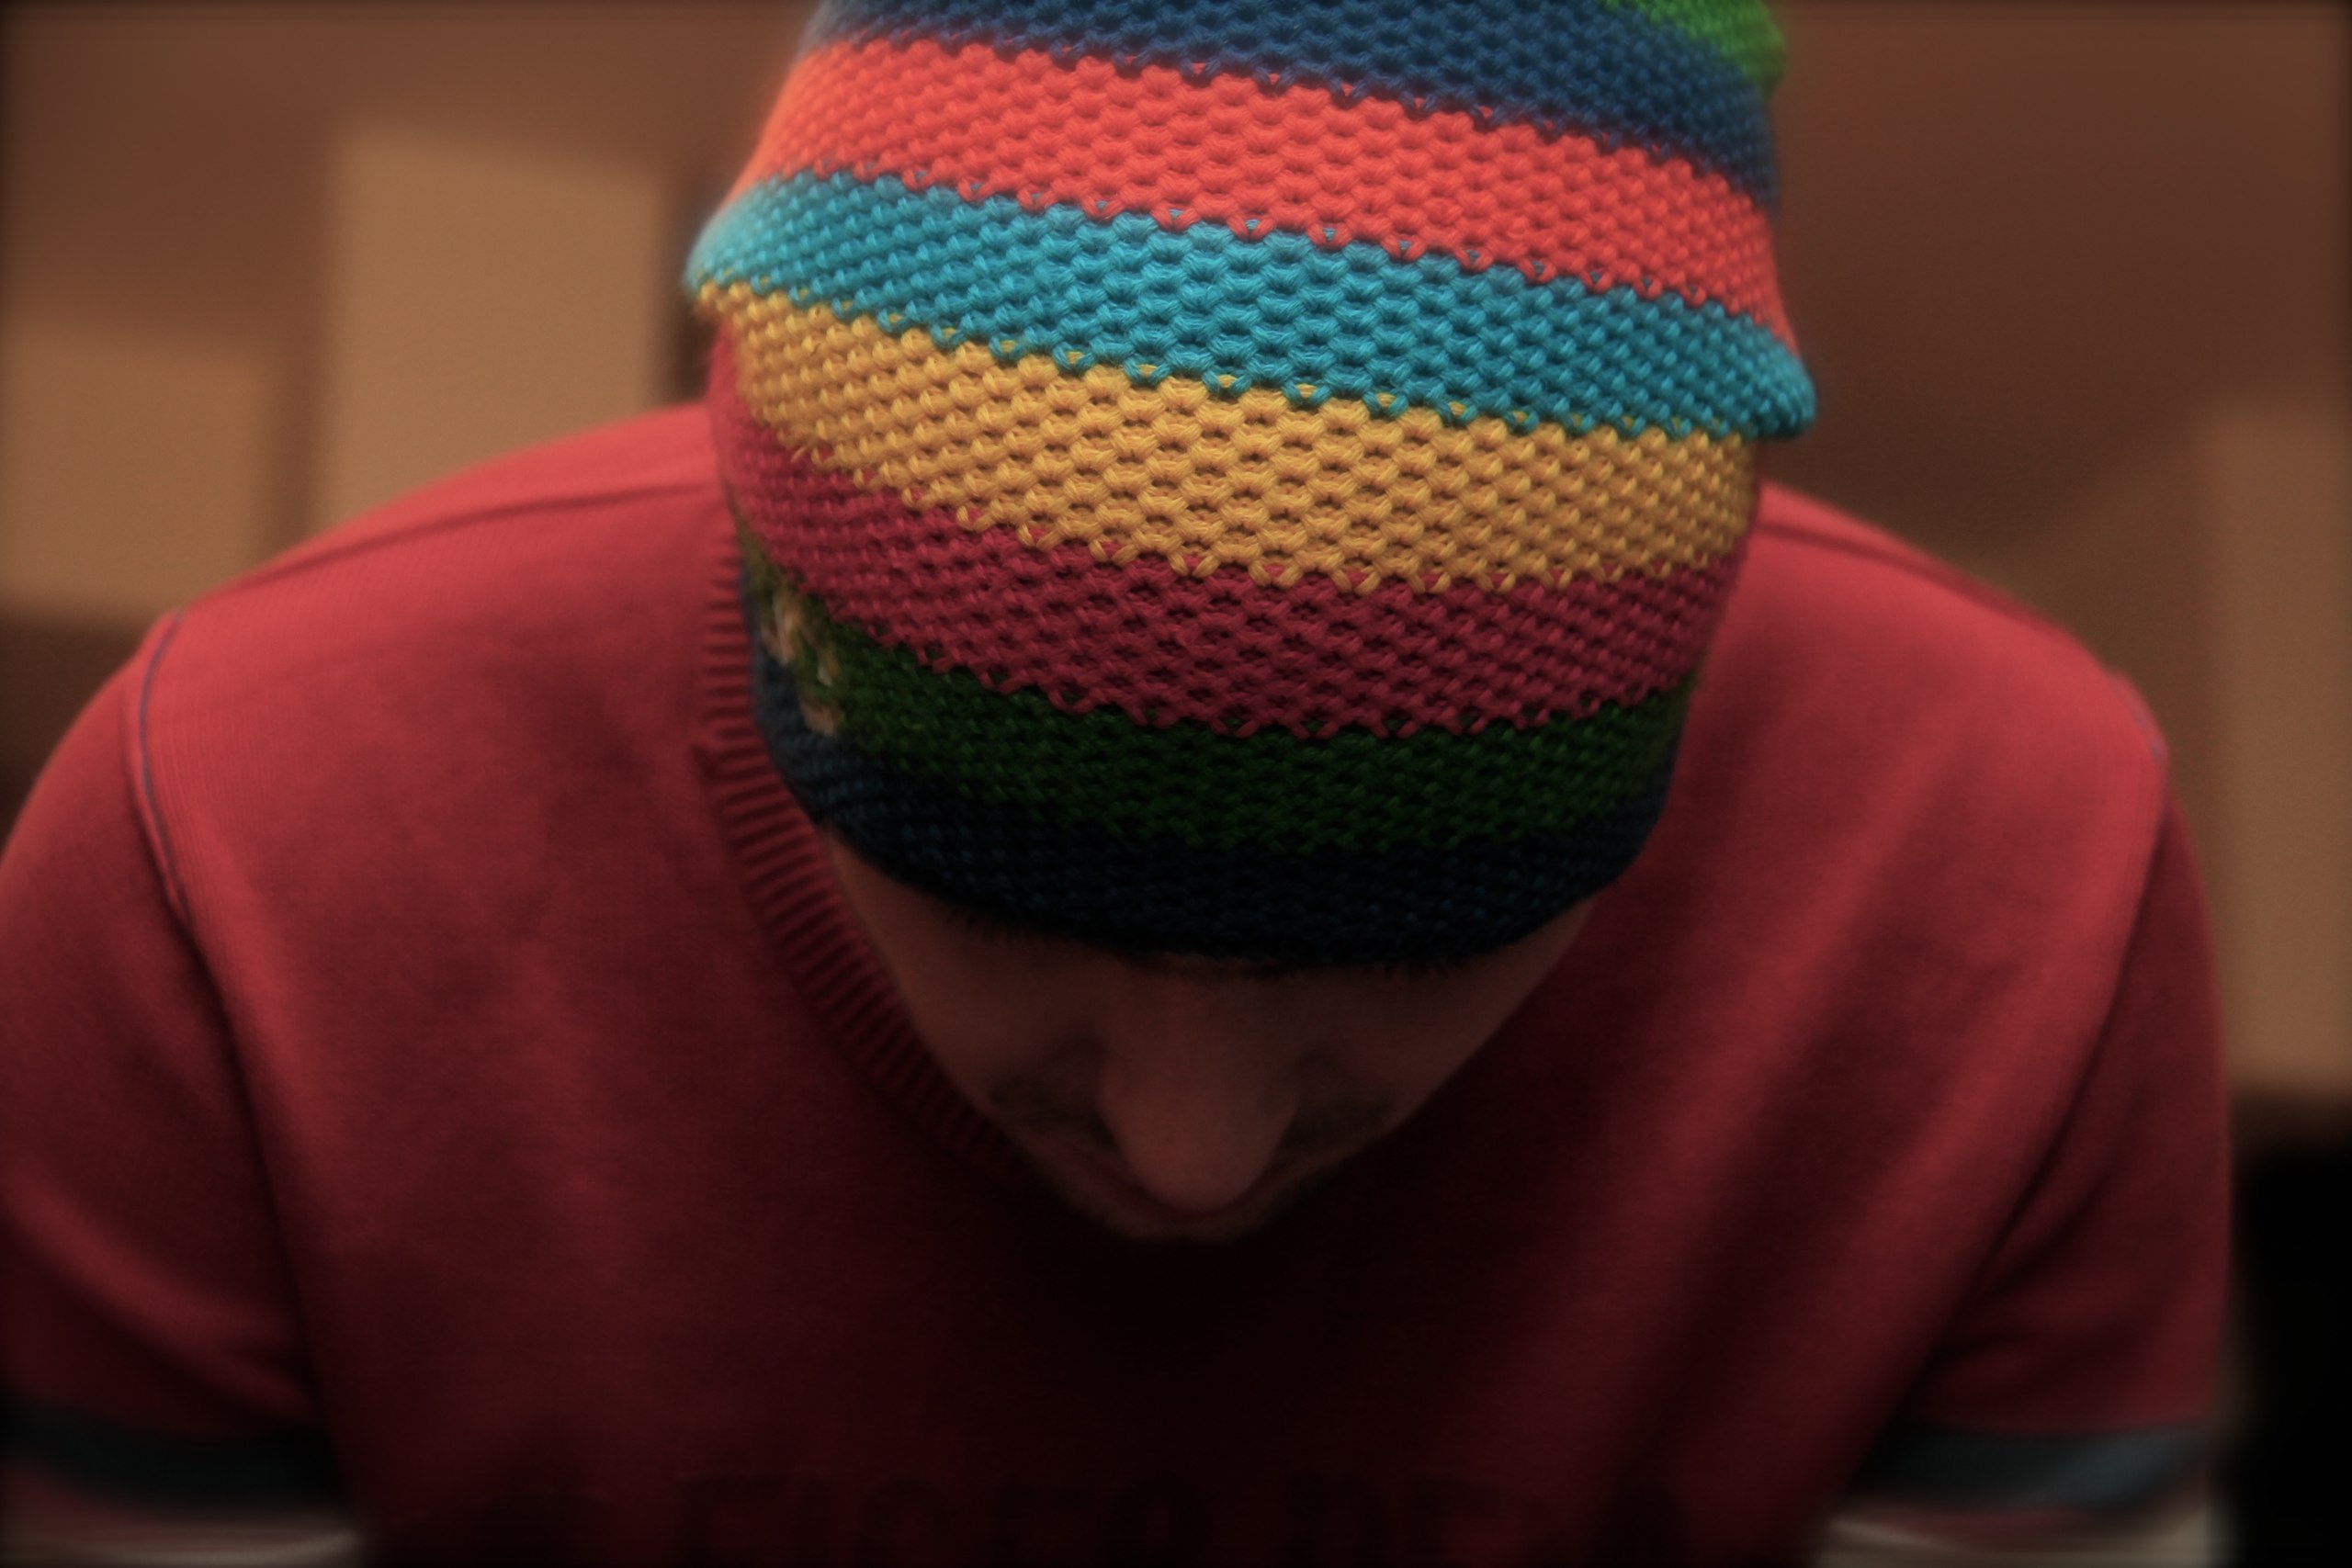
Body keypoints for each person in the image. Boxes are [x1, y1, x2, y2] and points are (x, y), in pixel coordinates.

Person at [0, 2, 2228, 1563]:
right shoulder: (234, 855)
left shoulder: (2016, 893)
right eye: (998, 894)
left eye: (1416, 937)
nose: (1189, 1146)